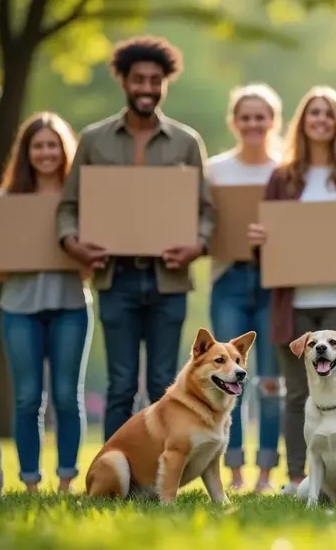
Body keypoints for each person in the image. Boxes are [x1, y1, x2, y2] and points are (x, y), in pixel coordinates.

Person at [56, 35, 216, 441]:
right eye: (139, 79)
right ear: (124, 81)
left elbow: (207, 211)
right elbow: (68, 206)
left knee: (167, 382)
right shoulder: (94, 140)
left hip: (169, 278)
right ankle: (116, 467)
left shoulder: (186, 142)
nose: (147, 87)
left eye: (155, 80)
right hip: (116, 278)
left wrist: (196, 244)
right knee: (121, 384)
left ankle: (162, 472)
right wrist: (75, 245)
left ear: (165, 83)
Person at [247, 85, 336, 494]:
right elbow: (266, 253)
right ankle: (299, 479)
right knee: (297, 395)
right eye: (314, 114)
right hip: (295, 306)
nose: (321, 121)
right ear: (302, 124)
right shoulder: (282, 178)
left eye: (329, 114)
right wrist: (260, 241)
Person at [0, 112, 93, 494]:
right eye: (38, 145)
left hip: (71, 305)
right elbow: (0, 274)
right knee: (26, 399)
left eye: (52, 145)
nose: (46, 152)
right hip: (18, 308)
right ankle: (30, 483)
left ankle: (67, 480)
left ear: (63, 149)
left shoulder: (81, 200)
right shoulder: (8, 200)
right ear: (26, 152)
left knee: (66, 397)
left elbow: (91, 268)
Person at [207, 83, 284, 493]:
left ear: (272, 121)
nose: (253, 124)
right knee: (226, 377)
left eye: (261, 117)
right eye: (246, 117)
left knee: (271, 381)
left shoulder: (286, 169)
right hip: (229, 280)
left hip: (274, 282)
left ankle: (267, 474)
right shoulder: (215, 169)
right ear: (234, 122)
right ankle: (234, 472)